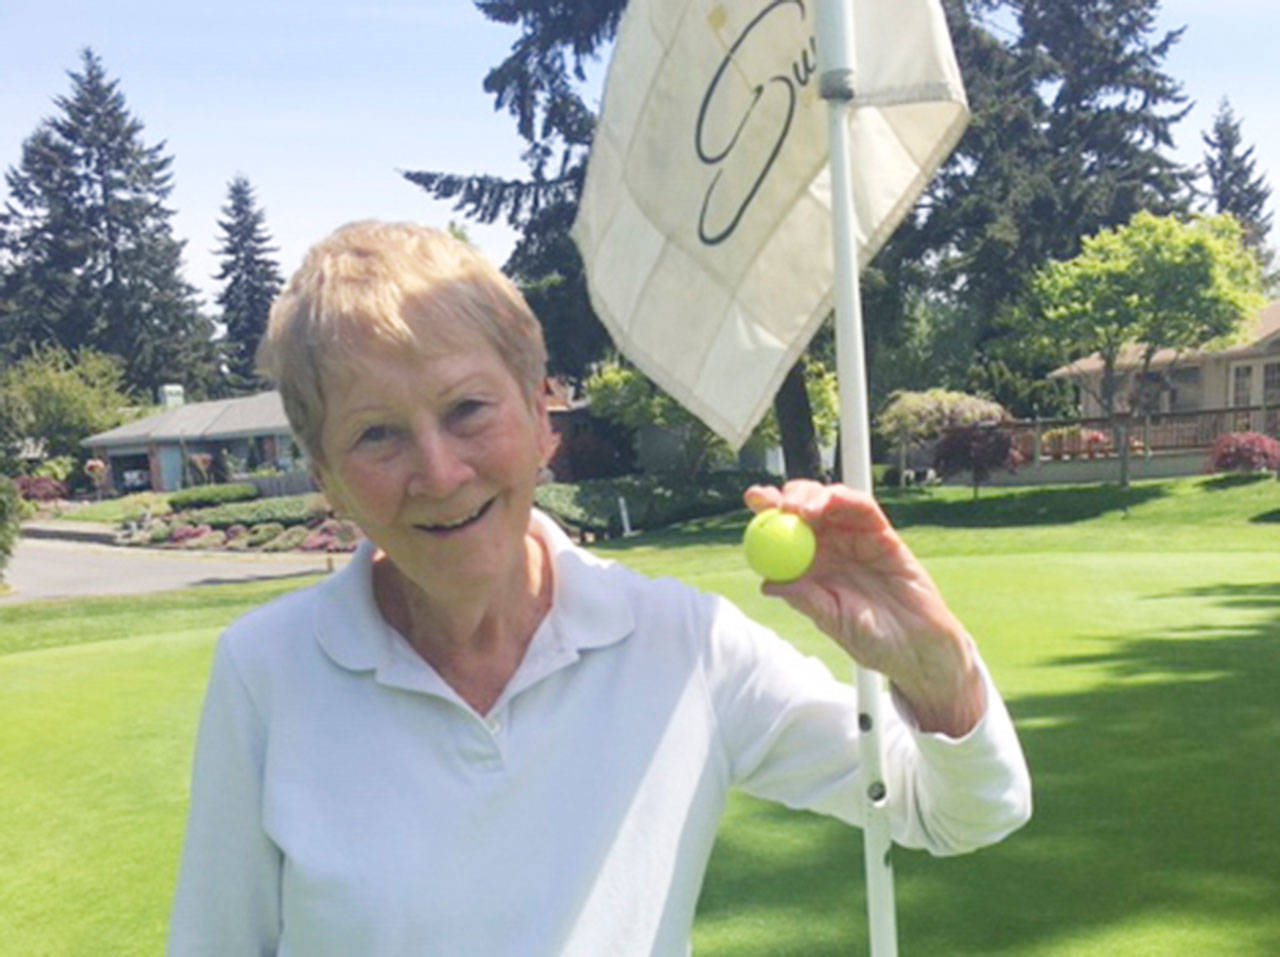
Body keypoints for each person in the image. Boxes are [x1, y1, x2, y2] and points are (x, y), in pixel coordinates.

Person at [168, 221, 1031, 955]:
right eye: (376, 435)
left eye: (469, 408)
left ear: (543, 416)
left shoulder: (682, 644)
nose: (438, 470)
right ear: (328, 478)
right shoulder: (267, 671)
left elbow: (959, 813)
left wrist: (935, 668)